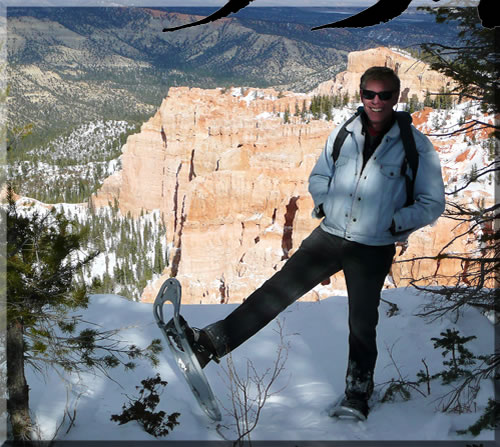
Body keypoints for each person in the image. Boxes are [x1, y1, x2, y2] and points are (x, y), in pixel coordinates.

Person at [170, 66, 446, 419]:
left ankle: (357, 396)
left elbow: (431, 203)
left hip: (373, 246)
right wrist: (324, 203)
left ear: (397, 96)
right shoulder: (345, 132)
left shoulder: (416, 146)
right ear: (360, 94)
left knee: (362, 323)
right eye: (369, 94)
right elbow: (320, 175)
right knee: (274, 293)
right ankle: (209, 345)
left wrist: (394, 223)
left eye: (385, 95)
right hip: (329, 235)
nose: (376, 102)